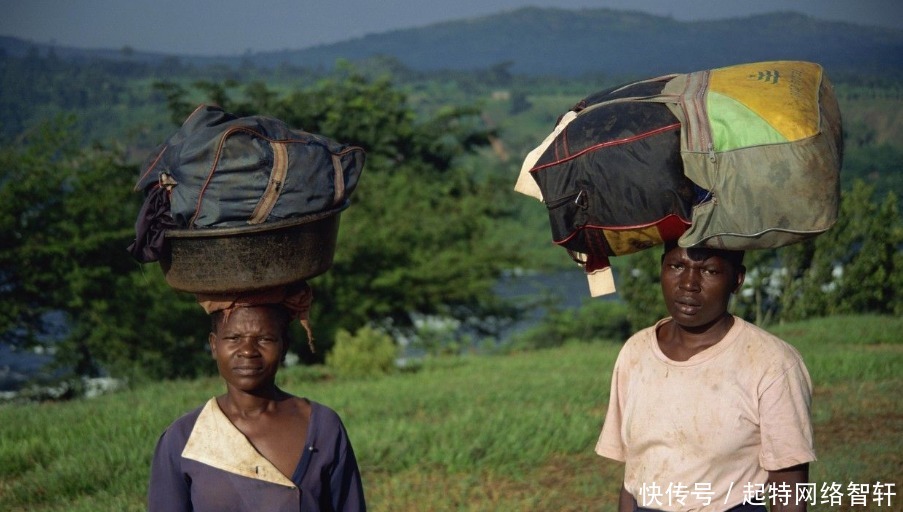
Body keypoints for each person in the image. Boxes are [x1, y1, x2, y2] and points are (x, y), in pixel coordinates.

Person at [596, 241, 815, 512]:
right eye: (677, 266)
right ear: (662, 267)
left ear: (737, 279)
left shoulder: (772, 362)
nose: (689, 283)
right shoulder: (636, 353)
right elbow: (635, 477)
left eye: (709, 271)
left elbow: (789, 486)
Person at [148, 284, 366, 512]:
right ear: (214, 345)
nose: (248, 351)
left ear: (284, 348)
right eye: (233, 338)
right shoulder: (184, 438)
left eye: (265, 339)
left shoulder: (322, 426)